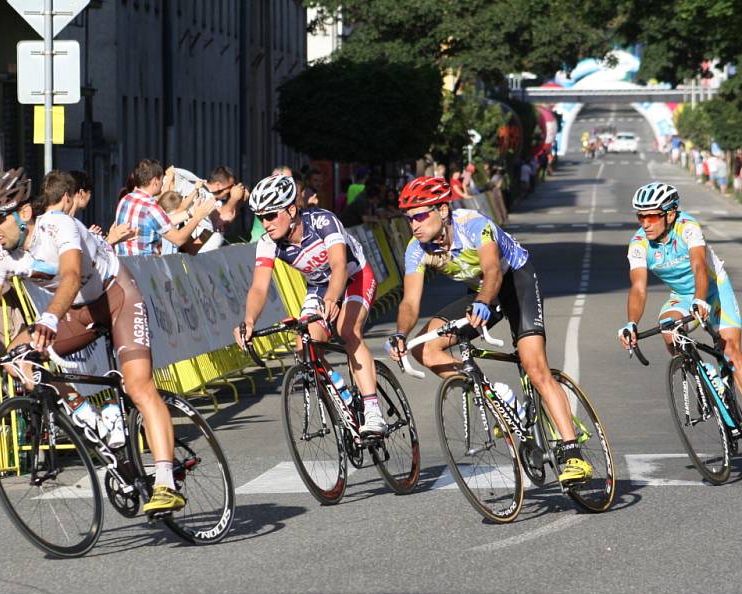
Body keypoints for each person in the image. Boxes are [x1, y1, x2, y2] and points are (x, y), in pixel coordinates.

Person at [0, 168, 188, 514]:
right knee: (18, 356)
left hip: (116, 297)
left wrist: (48, 317)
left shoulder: (58, 226)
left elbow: (72, 274)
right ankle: (94, 420)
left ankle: (165, 482)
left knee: (137, 385)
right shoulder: (0, 254)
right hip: (75, 313)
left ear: (24, 212)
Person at [387, 176, 593, 486]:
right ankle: (497, 396)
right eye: (409, 218)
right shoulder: (417, 249)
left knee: (534, 367)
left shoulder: (474, 224)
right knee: (423, 348)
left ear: (442, 210)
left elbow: (493, 270)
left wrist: (484, 301)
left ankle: (572, 452)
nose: (413, 224)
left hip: (514, 281)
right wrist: (401, 333)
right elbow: (410, 302)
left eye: (419, 215)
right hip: (483, 292)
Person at [233, 174, 386, 435]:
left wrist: (332, 299)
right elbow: (259, 287)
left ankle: (373, 412)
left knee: (347, 330)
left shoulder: (323, 221)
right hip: (319, 286)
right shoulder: (269, 243)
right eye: (261, 217)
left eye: (270, 215)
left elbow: (338, 265)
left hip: (353, 275)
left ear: (291, 210)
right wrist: (248, 321)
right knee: (305, 346)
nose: (265, 224)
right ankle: (344, 396)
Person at [618, 182, 742, 395]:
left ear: (670, 214)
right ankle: (705, 374)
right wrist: (632, 323)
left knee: (730, 350)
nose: (645, 223)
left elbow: (699, 266)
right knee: (668, 328)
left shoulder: (688, 227)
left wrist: (700, 300)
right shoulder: (638, 244)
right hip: (683, 296)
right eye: (641, 217)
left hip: (714, 290)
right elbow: (638, 288)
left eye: (652, 216)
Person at [114, 158, 213, 256]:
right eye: (162, 180)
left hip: (124, 264)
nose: (162, 183)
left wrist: (191, 212)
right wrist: (197, 218)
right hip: (144, 268)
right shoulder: (151, 208)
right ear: (155, 181)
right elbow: (179, 240)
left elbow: (165, 220)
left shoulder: (126, 199)